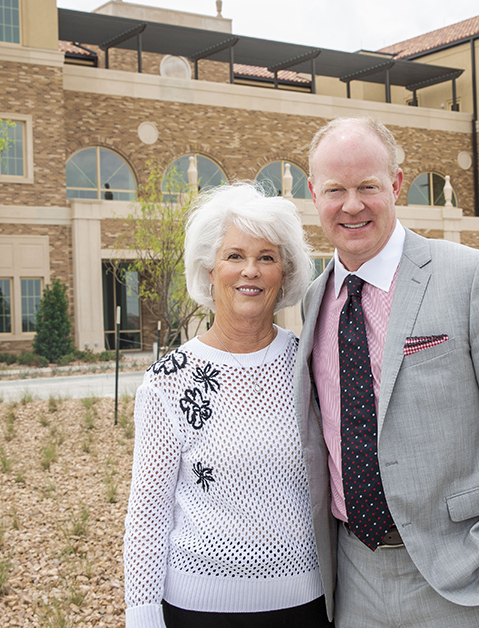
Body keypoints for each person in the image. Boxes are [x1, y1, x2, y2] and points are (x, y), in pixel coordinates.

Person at [293, 117, 479, 627]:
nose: (352, 205)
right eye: (335, 190)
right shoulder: (314, 300)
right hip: (354, 576)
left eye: (367, 186)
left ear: (395, 184)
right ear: (313, 193)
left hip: (467, 572)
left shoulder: (473, 276)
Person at [123, 182, 329, 628]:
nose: (249, 271)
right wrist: (141, 614)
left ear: (285, 273)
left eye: (266, 257)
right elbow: (148, 511)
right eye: (234, 256)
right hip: (198, 611)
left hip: (307, 607)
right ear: (209, 269)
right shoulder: (167, 382)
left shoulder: (311, 365)